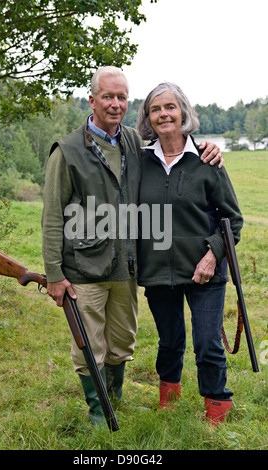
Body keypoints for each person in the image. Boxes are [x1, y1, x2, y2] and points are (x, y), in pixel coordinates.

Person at [42, 67, 223, 425]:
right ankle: (98, 410)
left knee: (122, 340)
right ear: (92, 100)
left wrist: (207, 148)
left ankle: (117, 399)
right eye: (107, 97)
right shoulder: (67, 150)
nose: (114, 104)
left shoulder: (131, 142)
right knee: (90, 344)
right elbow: (51, 216)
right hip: (84, 267)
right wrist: (54, 274)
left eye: (121, 97)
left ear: (128, 102)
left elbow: (173, 149)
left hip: (126, 266)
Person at [136, 82, 243, 427]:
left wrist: (212, 255)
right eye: (155, 109)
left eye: (170, 107)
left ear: (183, 112)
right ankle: (169, 397)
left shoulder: (206, 160)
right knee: (169, 341)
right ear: (148, 118)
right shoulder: (140, 162)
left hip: (205, 271)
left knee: (208, 342)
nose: (164, 114)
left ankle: (217, 408)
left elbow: (233, 220)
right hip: (158, 270)